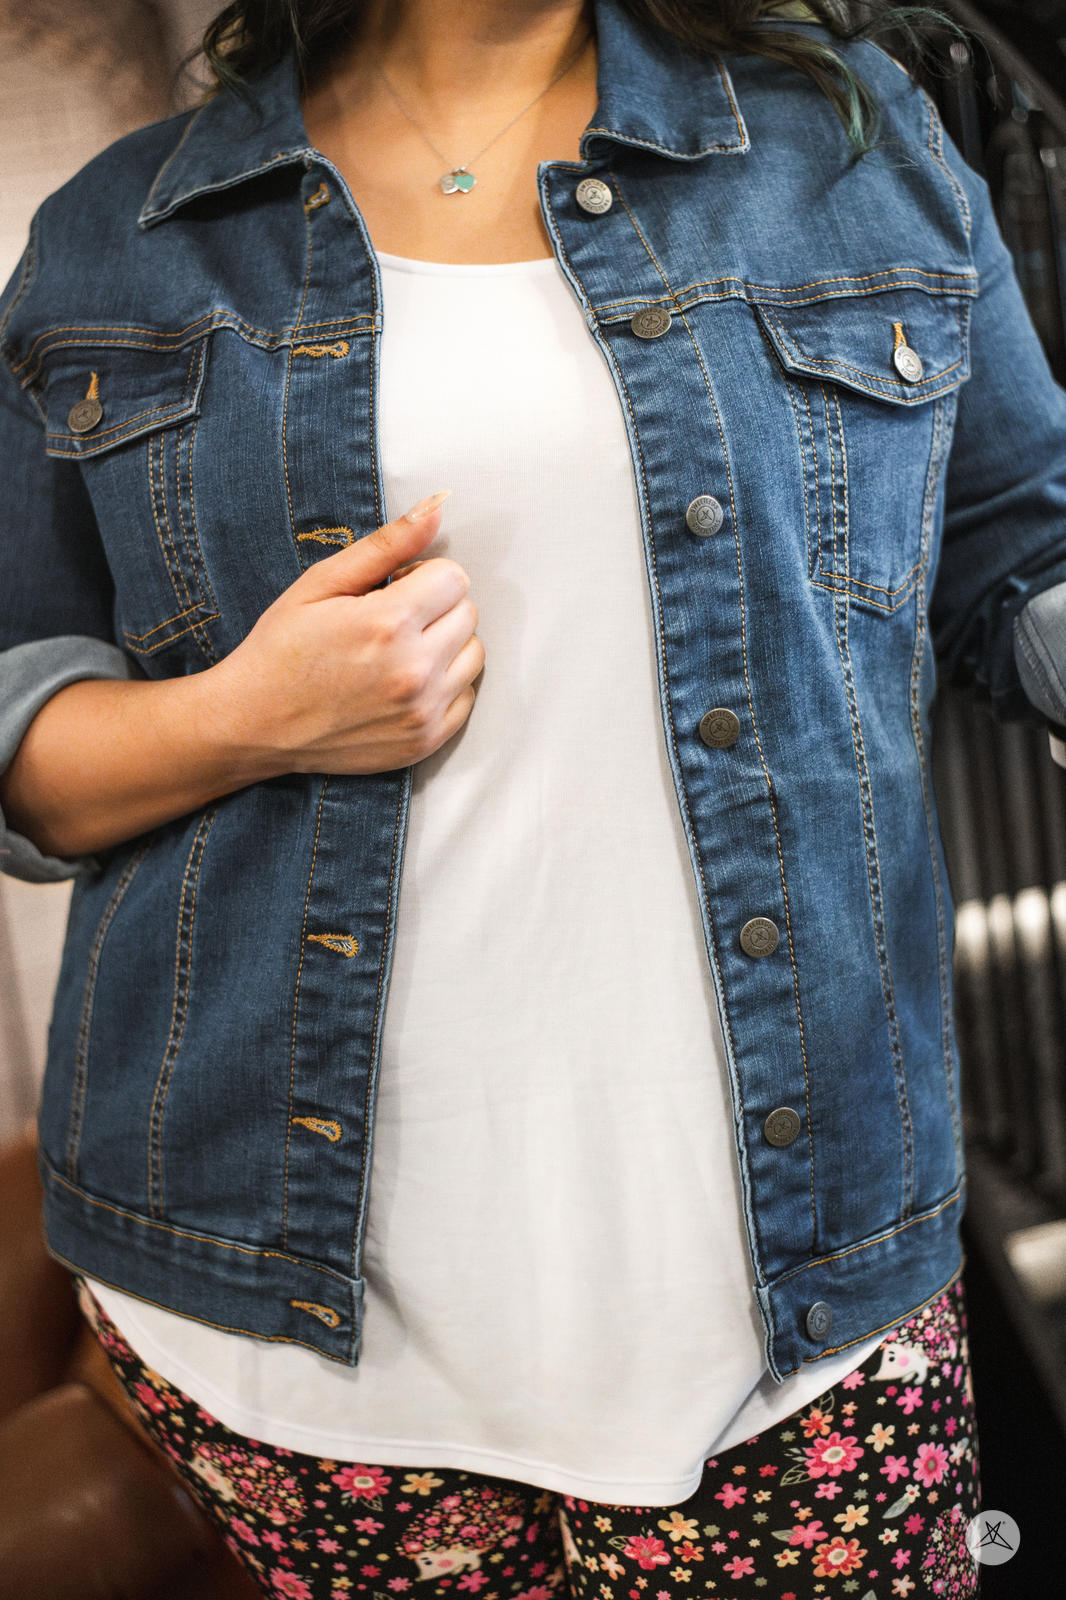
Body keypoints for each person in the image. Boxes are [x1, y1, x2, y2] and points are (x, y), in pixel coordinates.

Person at [3, 0, 1066, 1593]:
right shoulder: (121, 237)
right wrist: (244, 720)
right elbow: (23, 731)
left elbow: (1017, 554)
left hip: (796, 1293)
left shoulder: (851, 143)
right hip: (283, 1322)